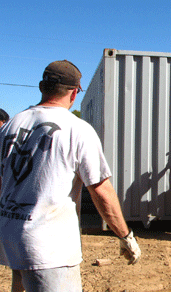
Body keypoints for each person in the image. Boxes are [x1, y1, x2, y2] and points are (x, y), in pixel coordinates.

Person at [0, 60, 141, 291]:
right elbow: (101, 191)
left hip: (10, 236)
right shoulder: (77, 129)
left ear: (41, 87)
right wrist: (126, 236)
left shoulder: (11, 125)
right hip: (48, 246)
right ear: (74, 92)